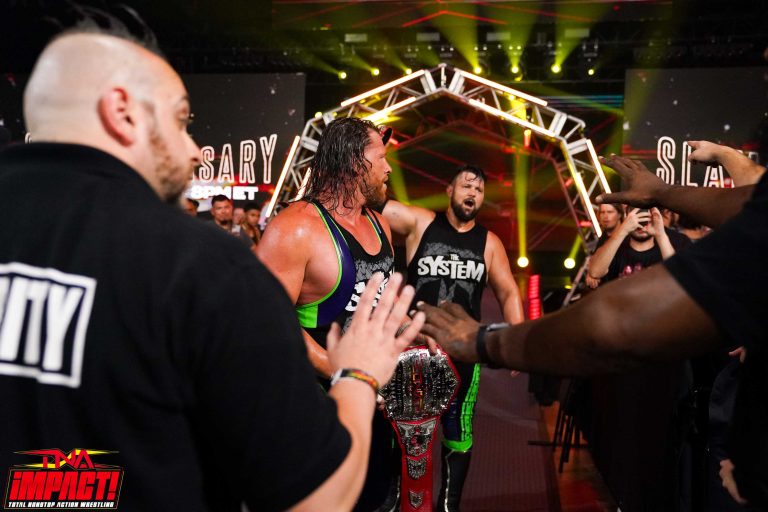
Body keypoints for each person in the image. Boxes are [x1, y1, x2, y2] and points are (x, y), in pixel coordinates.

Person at [0, 26, 424, 512]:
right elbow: (320, 498)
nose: (193, 150)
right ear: (121, 112)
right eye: (181, 121)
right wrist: (359, 374)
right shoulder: (198, 266)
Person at [415, 151, 767, 508]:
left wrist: (486, 342)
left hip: (668, 378)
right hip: (626, 376)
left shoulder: (692, 241)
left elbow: (612, 318)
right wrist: (665, 191)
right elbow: (750, 201)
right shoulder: (626, 241)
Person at [257, 117, 399, 511]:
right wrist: (342, 371)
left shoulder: (381, 225)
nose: (388, 169)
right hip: (315, 410)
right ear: (355, 163)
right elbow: (268, 322)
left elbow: (374, 303)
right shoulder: (295, 229)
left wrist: (414, 331)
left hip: (374, 405)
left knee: (377, 500)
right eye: (381, 158)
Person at [382, 164, 524, 511]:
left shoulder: (489, 243)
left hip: (462, 353)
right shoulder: (421, 223)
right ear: (449, 190)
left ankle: (449, 505)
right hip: (413, 349)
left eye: (479, 189)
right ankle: (396, 500)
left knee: (458, 429)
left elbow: (508, 291)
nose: (472, 193)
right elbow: (377, 204)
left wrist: (516, 341)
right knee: (401, 428)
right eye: (466, 186)